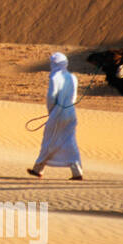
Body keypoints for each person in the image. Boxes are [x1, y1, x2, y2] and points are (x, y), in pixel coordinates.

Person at [28, 52, 83, 180]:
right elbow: (74, 97)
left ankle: (38, 169)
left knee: (50, 140)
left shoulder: (54, 78)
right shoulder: (73, 77)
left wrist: (52, 112)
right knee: (70, 141)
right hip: (71, 112)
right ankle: (77, 171)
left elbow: (51, 97)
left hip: (58, 113)